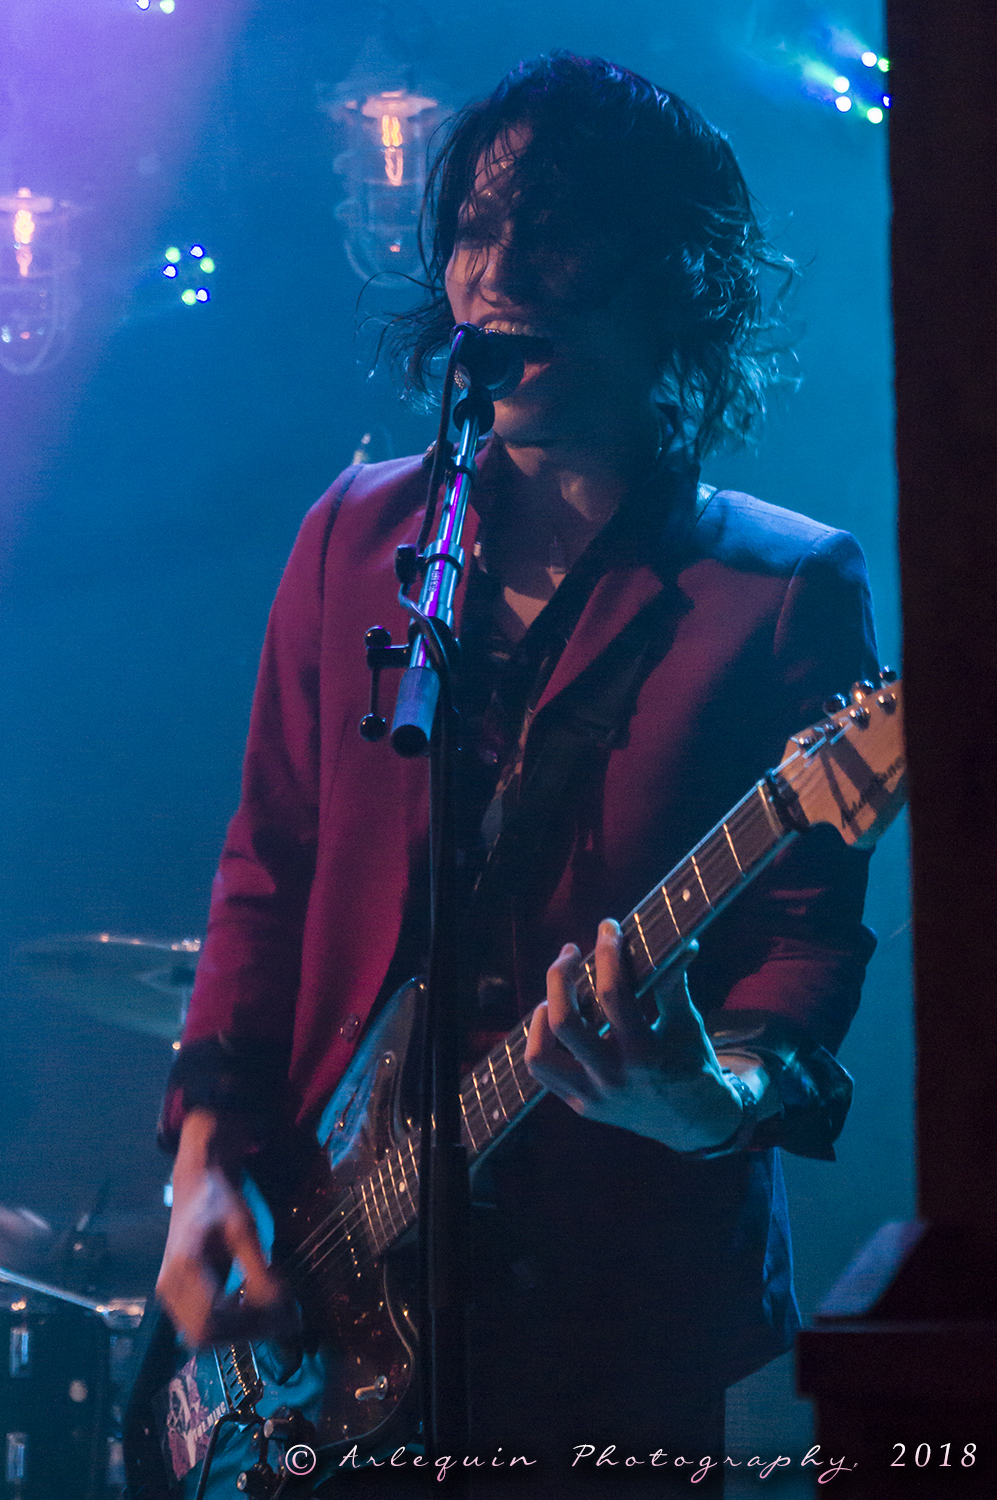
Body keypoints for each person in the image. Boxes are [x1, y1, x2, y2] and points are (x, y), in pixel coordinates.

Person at [153, 54, 878, 1494]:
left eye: (554, 232)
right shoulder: (355, 538)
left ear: (671, 271)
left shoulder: (782, 587)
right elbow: (268, 872)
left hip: (617, 1321)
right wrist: (201, 1167)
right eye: (474, 232)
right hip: (335, 1279)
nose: (495, 275)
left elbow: (803, 949)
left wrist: (703, 1102)